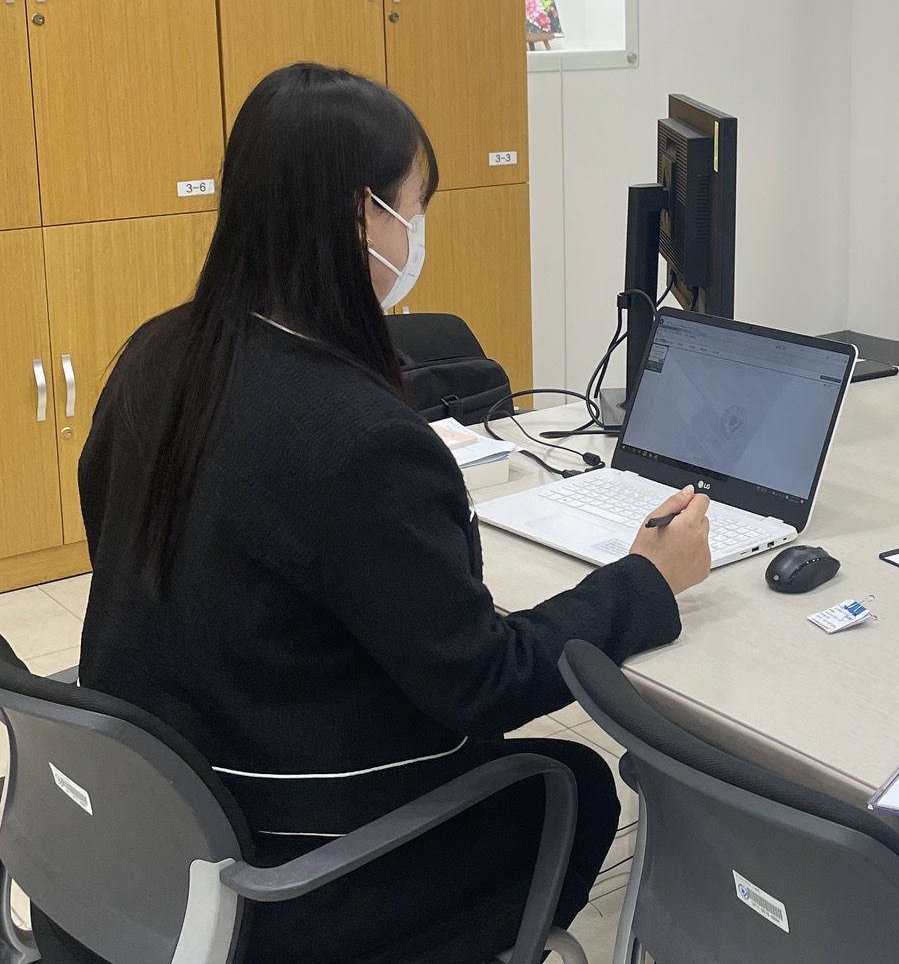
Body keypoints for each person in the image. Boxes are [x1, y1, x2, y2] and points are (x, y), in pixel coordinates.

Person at [51, 63, 712, 964]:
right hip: (288, 872)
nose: (417, 231)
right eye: (415, 204)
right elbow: (486, 685)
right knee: (575, 783)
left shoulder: (157, 354)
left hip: (152, 823)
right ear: (362, 215)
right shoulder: (361, 441)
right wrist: (644, 581)